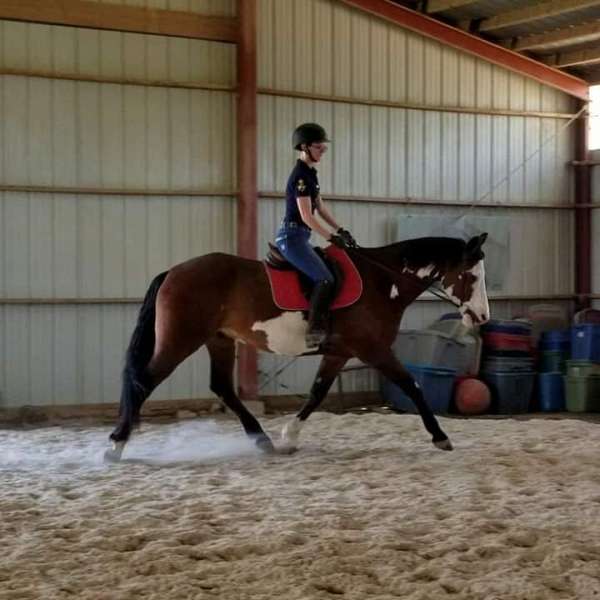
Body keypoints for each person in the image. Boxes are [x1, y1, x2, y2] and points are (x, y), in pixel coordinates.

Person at [275, 123, 357, 347]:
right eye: (319, 147)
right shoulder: (300, 176)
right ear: (304, 147)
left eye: (324, 148)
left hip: (301, 236)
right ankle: (314, 330)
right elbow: (306, 216)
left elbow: (319, 208)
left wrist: (341, 230)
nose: (322, 151)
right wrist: (331, 238)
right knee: (324, 278)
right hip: (292, 237)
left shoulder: (311, 174)